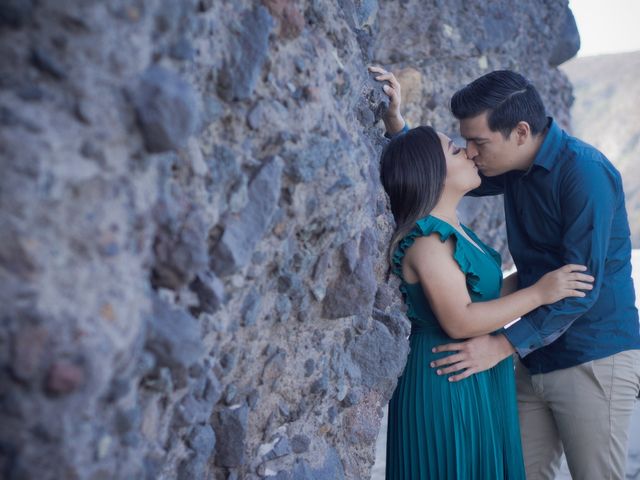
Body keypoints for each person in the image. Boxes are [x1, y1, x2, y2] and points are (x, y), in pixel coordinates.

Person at [373, 65, 640, 480]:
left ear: (519, 132)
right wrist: (398, 126)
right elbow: (435, 176)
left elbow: (580, 288)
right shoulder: (508, 167)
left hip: (592, 355)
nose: (472, 152)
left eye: (477, 141)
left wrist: (501, 346)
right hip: (531, 357)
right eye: (464, 143)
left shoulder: (584, 173)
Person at [378, 123, 594, 479]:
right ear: (432, 172)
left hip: (477, 369)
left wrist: (540, 278)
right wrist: (540, 292)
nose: (467, 152)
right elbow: (460, 320)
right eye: (454, 150)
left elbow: (486, 297)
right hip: (446, 377)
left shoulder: (453, 227)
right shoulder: (428, 240)